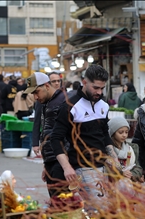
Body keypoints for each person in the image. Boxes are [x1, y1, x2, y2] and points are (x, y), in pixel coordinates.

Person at [51, 65, 124, 211]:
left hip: (103, 166)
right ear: (84, 82)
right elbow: (55, 139)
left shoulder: (103, 105)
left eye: (102, 88)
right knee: (99, 211)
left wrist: (114, 158)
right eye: (95, 88)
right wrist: (67, 168)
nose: (99, 92)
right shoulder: (70, 106)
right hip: (82, 167)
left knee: (108, 210)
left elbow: (104, 133)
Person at [24, 72, 67, 197]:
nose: (36, 97)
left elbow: (67, 136)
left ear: (47, 86)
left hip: (61, 161)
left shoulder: (63, 101)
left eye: (37, 92)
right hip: (51, 160)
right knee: (55, 202)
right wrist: (47, 164)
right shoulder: (44, 102)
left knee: (63, 202)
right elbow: (42, 127)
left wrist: (66, 165)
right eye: (33, 94)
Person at [108, 116, 143, 182]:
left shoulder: (132, 148)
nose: (124, 135)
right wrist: (121, 173)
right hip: (111, 187)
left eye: (126, 132)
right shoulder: (108, 149)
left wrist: (131, 174)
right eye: (121, 132)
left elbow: (138, 167)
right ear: (113, 133)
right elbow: (105, 170)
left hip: (129, 185)